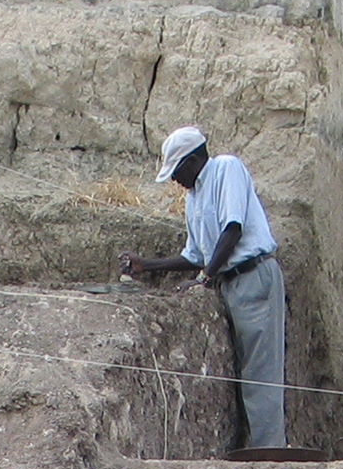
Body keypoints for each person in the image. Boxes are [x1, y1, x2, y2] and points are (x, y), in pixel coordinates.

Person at [118, 126, 288, 450]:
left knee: (261, 374)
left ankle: (271, 455)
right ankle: (259, 450)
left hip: (253, 278)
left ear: (195, 159)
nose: (174, 180)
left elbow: (233, 228)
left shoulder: (226, 168)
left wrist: (206, 278)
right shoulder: (194, 196)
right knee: (245, 373)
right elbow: (194, 255)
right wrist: (146, 265)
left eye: (177, 170)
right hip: (231, 283)